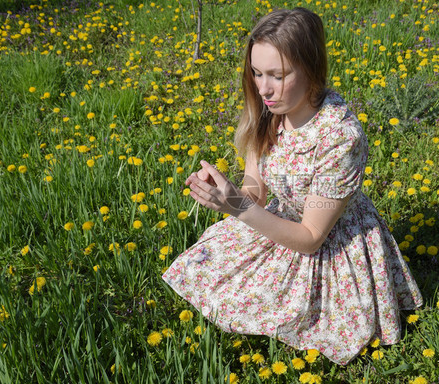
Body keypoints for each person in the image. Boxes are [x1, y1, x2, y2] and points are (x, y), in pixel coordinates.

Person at [162, 7, 423, 365]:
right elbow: (257, 190)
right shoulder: (271, 107)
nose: (263, 88)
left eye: (277, 75)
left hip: (330, 243)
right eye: (256, 73)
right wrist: (230, 194)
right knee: (202, 267)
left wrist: (238, 208)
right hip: (280, 219)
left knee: (283, 310)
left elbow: (311, 238)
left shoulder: (340, 137)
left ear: (312, 69)